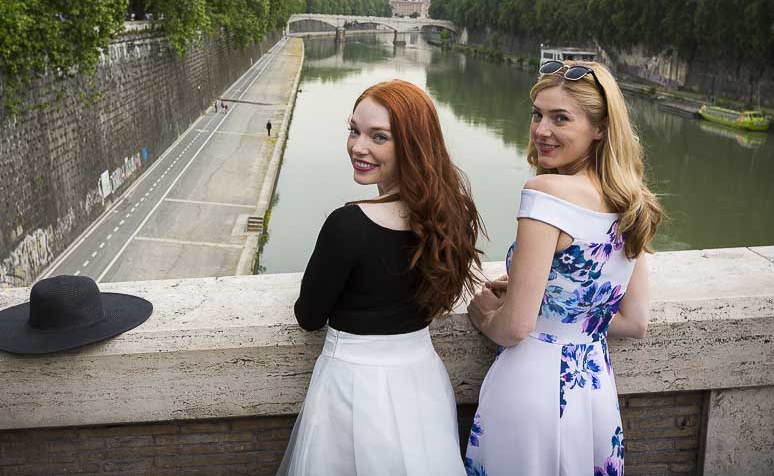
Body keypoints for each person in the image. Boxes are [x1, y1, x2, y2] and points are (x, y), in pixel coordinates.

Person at [464, 60, 663, 476]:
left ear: (601, 128)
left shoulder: (546, 192)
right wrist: (551, 302)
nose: (541, 130)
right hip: (592, 392)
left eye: (560, 118)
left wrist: (486, 317)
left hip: (532, 387)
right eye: (537, 114)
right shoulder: (631, 200)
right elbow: (633, 321)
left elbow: (516, 327)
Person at [278, 79, 485, 476]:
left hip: (352, 388)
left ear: (411, 144)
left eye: (378, 137)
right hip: (422, 380)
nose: (358, 146)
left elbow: (309, 316)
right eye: (354, 130)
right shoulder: (452, 214)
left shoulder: (347, 225)